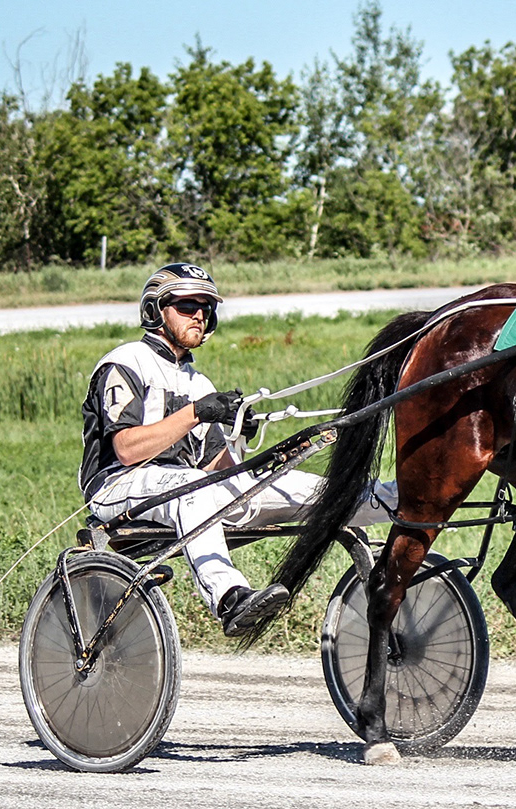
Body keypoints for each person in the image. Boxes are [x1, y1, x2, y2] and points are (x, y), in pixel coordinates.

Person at [80, 263, 394, 637]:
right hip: (117, 487)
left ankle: (406, 500)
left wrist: (266, 458)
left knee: (318, 489)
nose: (199, 315)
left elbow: (220, 468)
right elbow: (127, 449)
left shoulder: (199, 381)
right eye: (186, 306)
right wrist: (196, 414)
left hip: (183, 487)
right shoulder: (125, 362)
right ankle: (229, 599)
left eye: (206, 308)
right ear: (155, 310)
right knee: (191, 486)